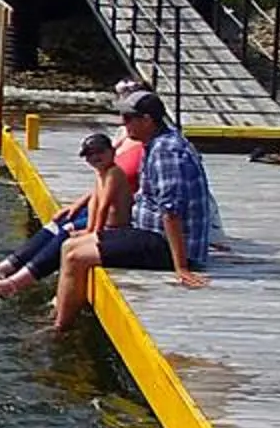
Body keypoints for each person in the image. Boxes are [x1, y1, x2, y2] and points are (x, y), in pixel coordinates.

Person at [50, 90, 219, 332]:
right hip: (149, 233)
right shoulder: (158, 142)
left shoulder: (165, 152)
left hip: (166, 244)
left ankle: (60, 329)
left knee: (76, 257)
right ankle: (61, 314)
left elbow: (171, 211)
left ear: (148, 120)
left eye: (129, 118)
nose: (123, 123)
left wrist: (181, 267)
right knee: (69, 246)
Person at [0, 132, 129, 297]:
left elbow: (104, 206)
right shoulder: (103, 172)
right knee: (59, 224)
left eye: (100, 152)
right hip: (102, 224)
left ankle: (13, 284)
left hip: (112, 229)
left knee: (66, 234)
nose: (95, 157)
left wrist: (93, 233)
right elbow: (96, 201)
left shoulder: (113, 173)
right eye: (90, 155)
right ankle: (5, 268)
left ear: (112, 152)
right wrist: (78, 207)